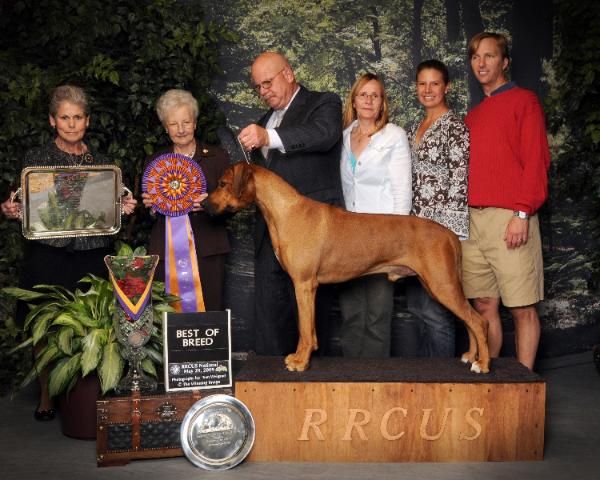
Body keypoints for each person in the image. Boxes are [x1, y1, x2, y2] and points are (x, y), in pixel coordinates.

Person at [0, 85, 137, 421]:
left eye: (78, 117)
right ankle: (47, 394)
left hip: (91, 253)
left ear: (87, 121)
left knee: (93, 325)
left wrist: (125, 207)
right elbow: (34, 207)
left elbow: (108, 208)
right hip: (48, 254)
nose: (72, 124)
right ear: (52, 120)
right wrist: (13, 210)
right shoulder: (37, 160)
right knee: (43, 327)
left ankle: (88, 392)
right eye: (65, 118)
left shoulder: (102, 162)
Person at [237, 52, 343, 356]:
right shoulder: (262, 122)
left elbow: (324, 134)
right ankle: (271, 389)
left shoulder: (323, 103)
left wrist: (268, 136)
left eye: (267, 82)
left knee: (312, 317)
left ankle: (316, 391)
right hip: (271, 233)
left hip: (313, 234)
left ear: (289, 73)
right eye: (258, 87)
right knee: (270, 319)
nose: (263, 91)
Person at [462, 32, 550, 370]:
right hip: (474, 220)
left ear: (505, 62)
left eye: (489, 56)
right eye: (475, 57)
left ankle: (525, 386)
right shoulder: (473, 116)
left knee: (522, 307)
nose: (481, 63)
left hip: (509, 217)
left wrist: (522, 213)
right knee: (484, 304)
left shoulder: (524, 101)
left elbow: (536, 160)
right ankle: (491, 381)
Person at [338, 73, 412, 357]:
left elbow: (402, 191)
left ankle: (376, 379)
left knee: (378, 316)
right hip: (346, 238)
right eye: (363, 95)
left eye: (375, 95)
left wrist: (398, 244)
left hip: (383, 236)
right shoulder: (344, 136)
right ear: (354, 101)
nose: (369, 100)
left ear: (383, 103)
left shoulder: (393, 135)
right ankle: (351, 377)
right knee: (351, 312)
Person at [401, 59, 470, 358]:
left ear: (446, 87)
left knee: (438, 309)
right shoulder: (415, 126)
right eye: (422, 83)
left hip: (436, 234)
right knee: (417, 305)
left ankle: (444, 377)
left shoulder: (455, 127)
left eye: (435, 84)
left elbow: (459, 182)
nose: (428, 90)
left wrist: (447, 236)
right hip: (412, 232)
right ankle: (425, 376)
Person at [142, 89, 230, 311]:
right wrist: (151, 207)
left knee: (209, 315)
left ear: (195, 123)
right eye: (174, 124)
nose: (181, 130)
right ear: (165, 127)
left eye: (186, 122)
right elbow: (146, 213)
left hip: (209, 250)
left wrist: (210, 204)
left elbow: (233, 205)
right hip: (166, 254)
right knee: (170, 318)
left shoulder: (218, 157)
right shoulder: (155, 161)